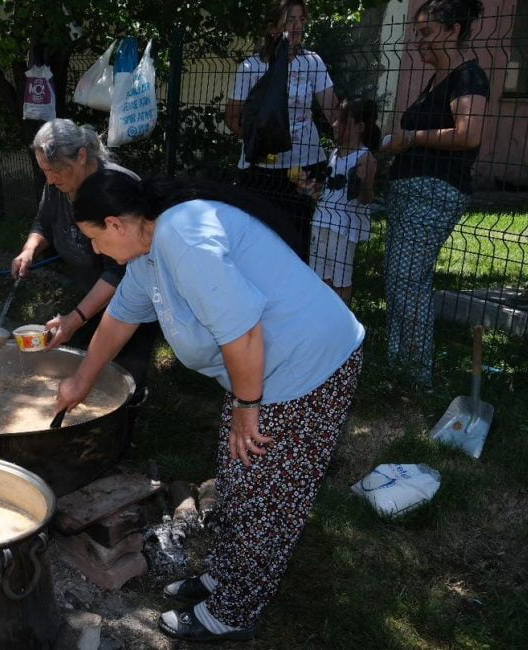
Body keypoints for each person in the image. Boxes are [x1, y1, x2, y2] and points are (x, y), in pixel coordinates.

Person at [55, 169, 364, 643]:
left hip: (308, 365)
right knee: (238, 477)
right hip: (261, 375)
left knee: (269, 499)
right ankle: (225, 574)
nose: (96, 250)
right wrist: (79, 381)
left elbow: (244, 331)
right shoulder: (148, 255)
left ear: (115, 224)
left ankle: (236, 610)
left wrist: (246, 404)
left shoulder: (182, 238)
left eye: (94, 238)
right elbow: (118, 319)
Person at [10, 119, 160, 397]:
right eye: (44, 171)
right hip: (89, 298)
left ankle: (123, 424)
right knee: (86, 371)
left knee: (123, 380)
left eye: (54, 170)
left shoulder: (113, 187)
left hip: (130, 302)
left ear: (81, 156)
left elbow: (118, 271)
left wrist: (75, 318)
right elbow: (43, 223)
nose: (50, 179)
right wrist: (29, 249)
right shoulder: (56, 186)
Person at [380, 0, 488, 385]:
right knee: (398, 278)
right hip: (410, 192)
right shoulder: (435, 82)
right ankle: (400, 366)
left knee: (408, 278)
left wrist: (410, 137)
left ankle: (415, 373)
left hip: (435, 192)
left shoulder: (468, 78)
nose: (418, 41)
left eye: (426, 32)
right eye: (416, 33)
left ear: (453, 31)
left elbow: (468, 134)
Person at [224, 0, 339, 261]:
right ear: (273, 28)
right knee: (256, 242)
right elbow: (231, 117)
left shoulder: (313, 63)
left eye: (301, 20)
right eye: (290, 21)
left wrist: (351, 147)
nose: (298, 27)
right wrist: (258, 142)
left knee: (297, 243)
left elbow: (332, 111)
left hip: (305, 167)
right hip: (261, 171)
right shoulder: (252, 67)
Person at [308, 98, 380, 305]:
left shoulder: (365, 157)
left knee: (341, 281)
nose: (335, 125)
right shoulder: (334, 153)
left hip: (342, 227)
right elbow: (330, 188)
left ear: (359, 127)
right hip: (321, 221)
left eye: (342, 121)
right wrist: (313, 190)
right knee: (320, 276)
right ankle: (323, 317)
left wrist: (364, 180)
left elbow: (367, 198)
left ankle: (342, 325)